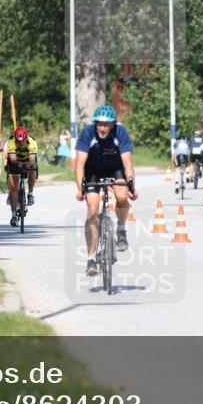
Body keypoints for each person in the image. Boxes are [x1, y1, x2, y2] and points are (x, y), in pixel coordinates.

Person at [74, 105, 137, 276]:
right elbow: (79, 164)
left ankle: (121, 230)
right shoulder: (88, 132)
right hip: (93, 171)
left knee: (122, 196)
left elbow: (127, 163)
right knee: (93, 209)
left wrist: (132, 186)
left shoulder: (120, 132)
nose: (102, 128)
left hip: (115, 169)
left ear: (113, 124)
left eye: (106, 124)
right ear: (95, 123)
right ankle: (91, 258)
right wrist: (80, 189)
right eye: (99, 124)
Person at [6, 127, 39, 226]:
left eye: (22, 141)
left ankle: (30, 193)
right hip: (15, 161)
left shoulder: (32, 142)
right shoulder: (11, 141)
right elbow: (12, 159)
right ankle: (13, 216)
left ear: (26, 138)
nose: (20, 143)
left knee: (33, 171)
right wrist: (19, 164)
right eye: (18, 141)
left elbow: (32, 160)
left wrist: (28, 166)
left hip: (28, 159)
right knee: (13, 188)